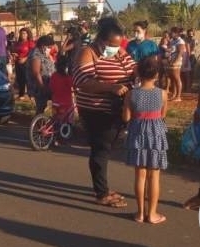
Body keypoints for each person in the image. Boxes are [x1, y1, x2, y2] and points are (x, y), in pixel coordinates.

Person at [72, 16, 136, 208]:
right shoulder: (87, 52)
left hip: (117, 110)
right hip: (96, 111)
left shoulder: (119, 52)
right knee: (100, 150)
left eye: (119, 44)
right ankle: (102, 193)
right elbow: (81, 81)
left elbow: (131, 68)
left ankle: (103, 187)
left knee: (106, 148)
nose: (116, 48)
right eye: (112, 45)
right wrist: (110, 87)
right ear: (102, 41)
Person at [122, 55, 168, 224]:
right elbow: (163, 115)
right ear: (157, 75)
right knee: (154, 176)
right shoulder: (163, 94)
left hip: (137, 134)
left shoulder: (131, 94)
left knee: (140, 176)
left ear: (138, 73)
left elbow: (126, 118)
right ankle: (153, 213)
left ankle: (140, 213)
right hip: (156, 135)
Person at [26, 35, 56, 115]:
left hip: (48, 83)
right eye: (49, 47)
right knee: (41, 106)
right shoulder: (36, 54)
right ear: (43, 46)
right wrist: (42, 87)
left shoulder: (43, 53)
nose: (50, 49)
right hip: (39, 85)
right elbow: (36, 72)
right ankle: (39, 125)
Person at [12, 27, 35, 100]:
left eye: (24, 33)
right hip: (18, 62)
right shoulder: (18, 43)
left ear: (28, 34)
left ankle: (31, 95)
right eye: (21, 33)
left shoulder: (30, 43)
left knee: (27, 78)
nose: (22, 35)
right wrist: (15, 55)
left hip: (27, 63)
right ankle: (21, 94)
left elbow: (32, 53)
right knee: (20, 79)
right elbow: (15, 51)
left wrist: (25, 58)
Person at [166, 26, 186, 102]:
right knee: (172, 78)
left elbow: (180, 52)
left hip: (176, 62)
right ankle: (174, 95)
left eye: (172, 32)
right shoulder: (172, 41)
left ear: (176, 33)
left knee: (177, 78)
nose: (171, 33)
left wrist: (176, 61)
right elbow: (170, 50)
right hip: (171, 61)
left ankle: (178, 96)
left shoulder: (180, 41)